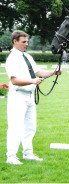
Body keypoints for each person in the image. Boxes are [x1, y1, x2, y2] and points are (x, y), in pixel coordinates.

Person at [5, 30, 61, 165]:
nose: (26, 44)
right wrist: (33, 81)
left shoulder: (28, 57)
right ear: (15, 42)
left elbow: (38, 72)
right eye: (23, 42)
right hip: (18, 96)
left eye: (27, 41)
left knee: (30, 127)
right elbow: (14, 80)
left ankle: (28, 153)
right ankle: (11, 156)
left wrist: (53, 72)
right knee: (15, 127)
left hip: (29, 96)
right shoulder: (12, 58)